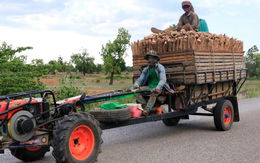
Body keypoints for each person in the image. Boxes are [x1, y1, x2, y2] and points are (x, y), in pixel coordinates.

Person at [130, 50, 166, 115]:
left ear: (156, 59)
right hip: (149, 87)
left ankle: (147, 110)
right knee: (135, 92)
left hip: (158, 88)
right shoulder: (146, 69)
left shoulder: (160, 67)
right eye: (149, 58)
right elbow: (140, 80)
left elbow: (163, 80)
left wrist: (158, 87)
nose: (150, 59)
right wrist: (132, 87)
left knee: (154, 93)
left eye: (152, 57)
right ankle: (144, 107)